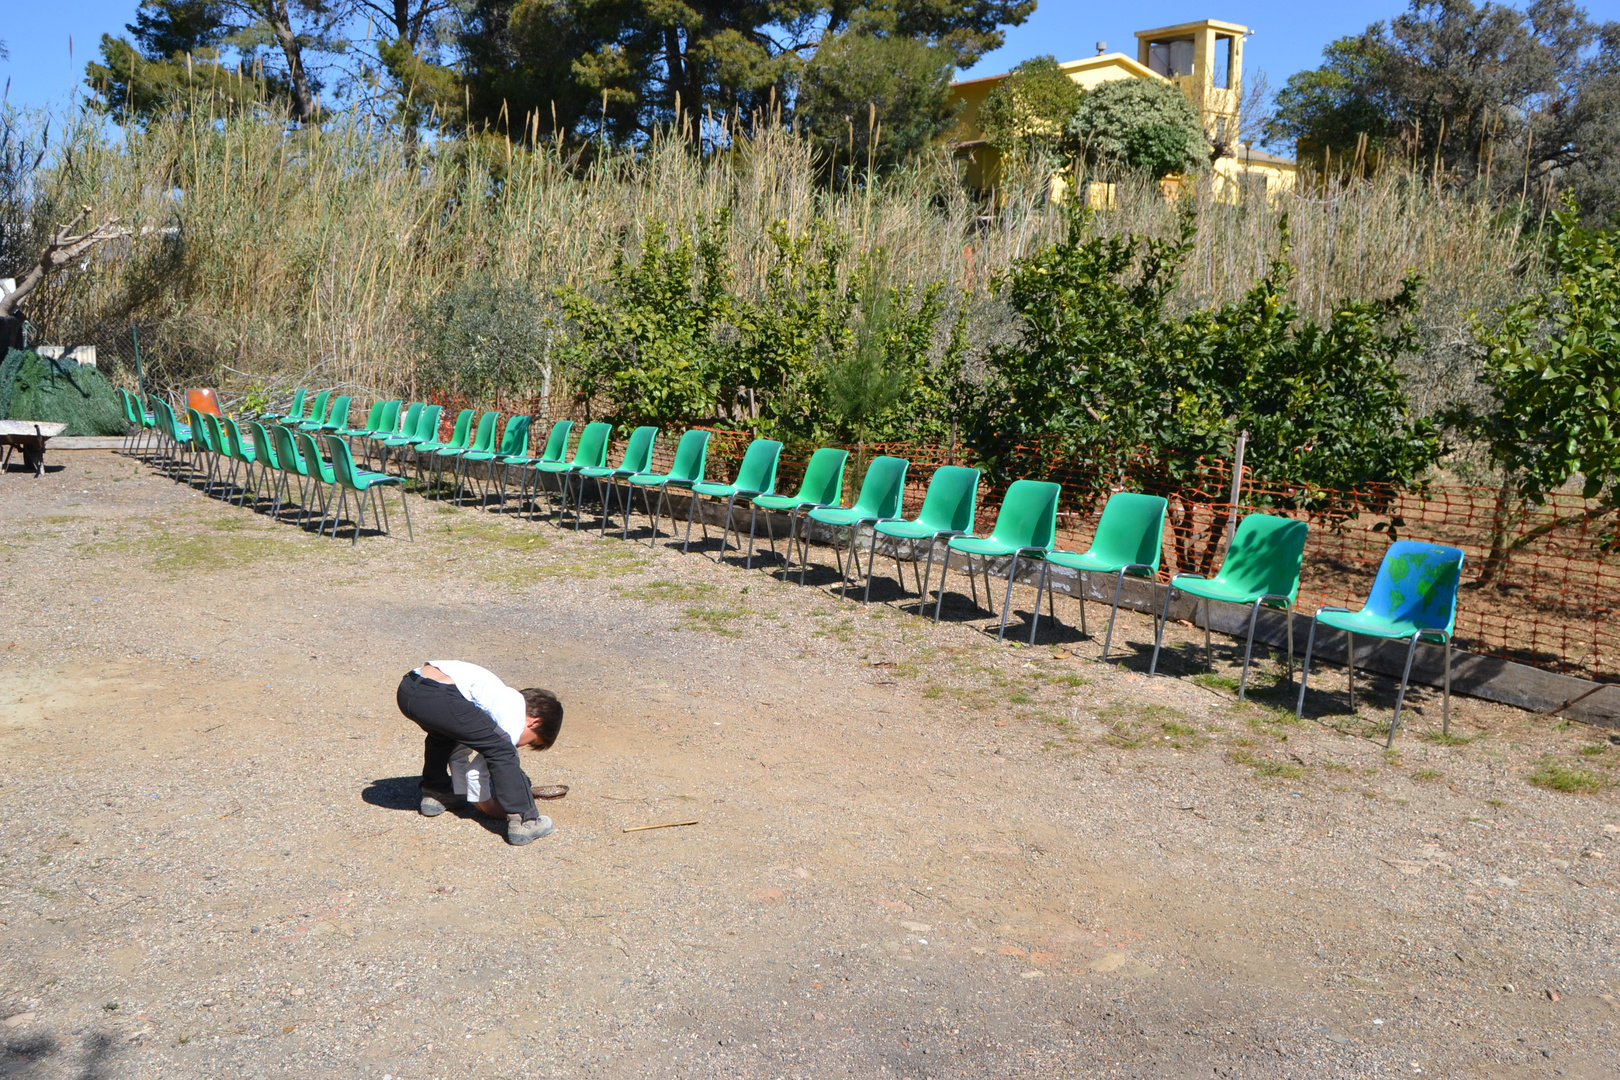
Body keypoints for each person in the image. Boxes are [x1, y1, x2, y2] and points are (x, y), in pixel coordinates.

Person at [395, 660, 563, 846]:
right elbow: (476, 773)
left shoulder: (493, 701)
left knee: (443, 736)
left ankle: (437, 792)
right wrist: (488, 808)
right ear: (534, 722)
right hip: (441, 695)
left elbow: (458, 754)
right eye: (531, 741)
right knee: (502, 749)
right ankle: (526, 820)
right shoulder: (513, 713)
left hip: (409, 688)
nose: (522, 745)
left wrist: (464, 791)